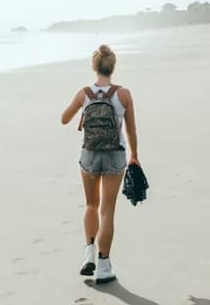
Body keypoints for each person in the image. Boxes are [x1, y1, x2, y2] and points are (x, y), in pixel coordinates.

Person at [60, 44, 140, 284]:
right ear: (112, 67)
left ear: (94, 67)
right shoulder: (123, 94)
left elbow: (64, 119)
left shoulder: (84, 93)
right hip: (116, 154)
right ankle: (104, 266)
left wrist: (84, 112)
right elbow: (131, 128)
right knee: (108, 211)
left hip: (90, 154)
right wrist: (134, 155)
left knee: (91, 204)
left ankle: (88, 254)